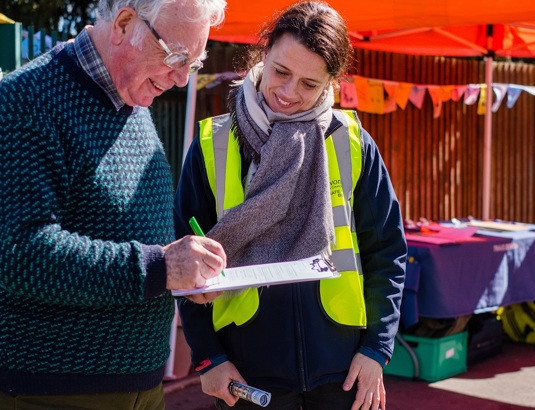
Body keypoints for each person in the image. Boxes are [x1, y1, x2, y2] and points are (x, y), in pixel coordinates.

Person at [0, 0, 227, 408]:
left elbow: (127, 233)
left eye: (192, 63)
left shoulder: (131, 98)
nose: (180, 79)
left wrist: (185, 273)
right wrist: (162, 267)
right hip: (47, 389)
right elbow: (21, 254)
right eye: (176, 56)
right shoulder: (25, 101)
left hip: (137, 382)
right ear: (124, 24)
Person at [174, 2, 407, 409]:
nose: (288, 93)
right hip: (246, 372)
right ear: (264, 55)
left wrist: (376, 349)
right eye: (281, 72)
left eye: (309, 84)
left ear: (330, 83)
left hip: (344, 370)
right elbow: (185, 263)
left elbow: (386, 252)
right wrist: (209, 357)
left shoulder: (352, 143)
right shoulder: (212, 146)